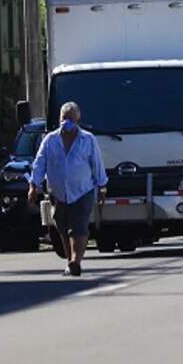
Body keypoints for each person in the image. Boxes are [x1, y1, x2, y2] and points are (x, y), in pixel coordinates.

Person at [28, 102, 107, 277]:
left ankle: (76, 261)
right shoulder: (50, 140)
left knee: (78, 227)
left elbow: (97, 164)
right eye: (64, 118)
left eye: (71, 118)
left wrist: (102, 186)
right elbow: (40, 163)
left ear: (78, 120)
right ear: (59, 119)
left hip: (82, 190)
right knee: (63, 227)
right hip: (58, 193)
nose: (67, 121)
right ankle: (69, 261)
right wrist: (33, 185)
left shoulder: (88, 140)